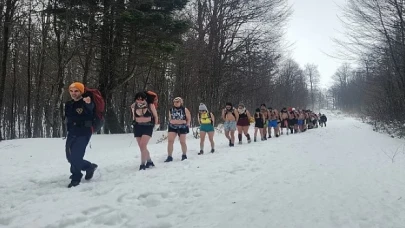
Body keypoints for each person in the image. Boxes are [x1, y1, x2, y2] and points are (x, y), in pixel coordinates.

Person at [64, 82, 98, 188]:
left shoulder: (86, 102)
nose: (73, 93)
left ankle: (76, 177)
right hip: (72, 132)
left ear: (81, 91)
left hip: (83, 133)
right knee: (70, 157)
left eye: (76, 91)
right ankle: (89, 167)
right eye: (71, 91)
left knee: (76, 156)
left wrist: (88, 104)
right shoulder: (68, 104)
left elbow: (91, 110)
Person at [131, 92, 159, 170]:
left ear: (145, 99)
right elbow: (134, 116)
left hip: (148, 126)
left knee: (143, 145)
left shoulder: (150, 105)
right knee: (141, 147)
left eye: (142, 99)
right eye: (138, 99)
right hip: (137, 126)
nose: (140, 100)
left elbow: (156, 116)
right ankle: (149, 161)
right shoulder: (134, 106)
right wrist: (133, 122)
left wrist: (156, 125)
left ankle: (142, 164)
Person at [165, 97, 191, 162]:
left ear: (181, 102)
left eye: (177, 102)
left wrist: (187, 125)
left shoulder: (184, 109)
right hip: (172, 126)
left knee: (182, 141)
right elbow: (170, 118)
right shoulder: (171, 110)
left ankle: (184, 155)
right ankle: (169, 156)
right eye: (175, 102)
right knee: (170, 141)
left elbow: (189, 118)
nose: (176, 103)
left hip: (182, 126)